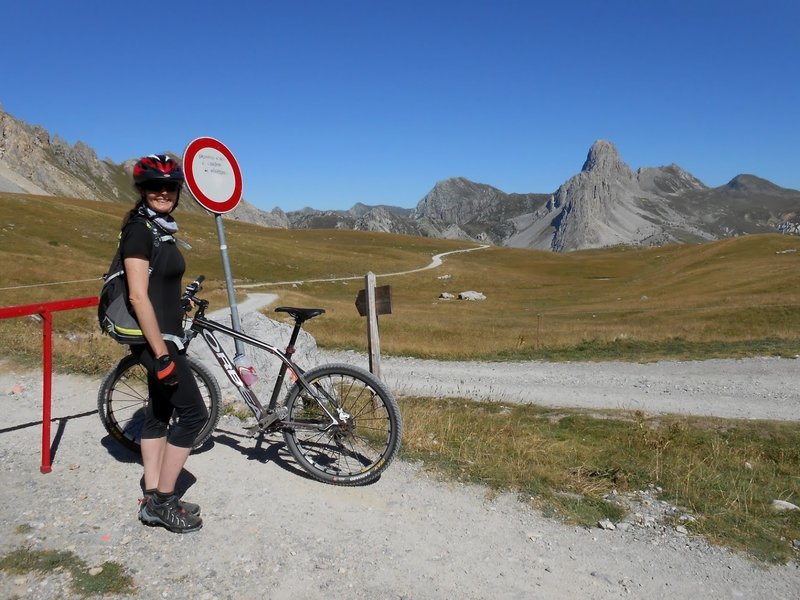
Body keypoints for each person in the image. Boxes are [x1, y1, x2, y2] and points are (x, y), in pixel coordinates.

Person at [118, 154, 207, 533]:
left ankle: (153, 492)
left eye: (169, 187)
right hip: (158, 343)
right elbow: (138, 296)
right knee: (193, 415)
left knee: (158, 414)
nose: (162, 192)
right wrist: (161, 355)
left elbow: (158, 285)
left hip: (165, 336)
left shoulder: (160, 229)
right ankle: (165, 504)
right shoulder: (140, 229)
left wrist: (179, 301)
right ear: (142, 190)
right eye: (154, 186)